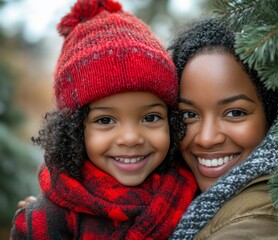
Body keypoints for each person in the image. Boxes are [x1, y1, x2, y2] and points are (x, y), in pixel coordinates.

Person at [10, 0, 197, 239]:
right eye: (106, 120)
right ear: (75, 129)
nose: (131, 138)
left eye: (151, 117)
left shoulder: (191, 191)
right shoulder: (47, 219)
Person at [168, 17, 278, 239]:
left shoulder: (255, 224)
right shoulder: (171, 201)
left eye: (235, 113)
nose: (207, 139)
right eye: (189, 115)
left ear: (274, 115)